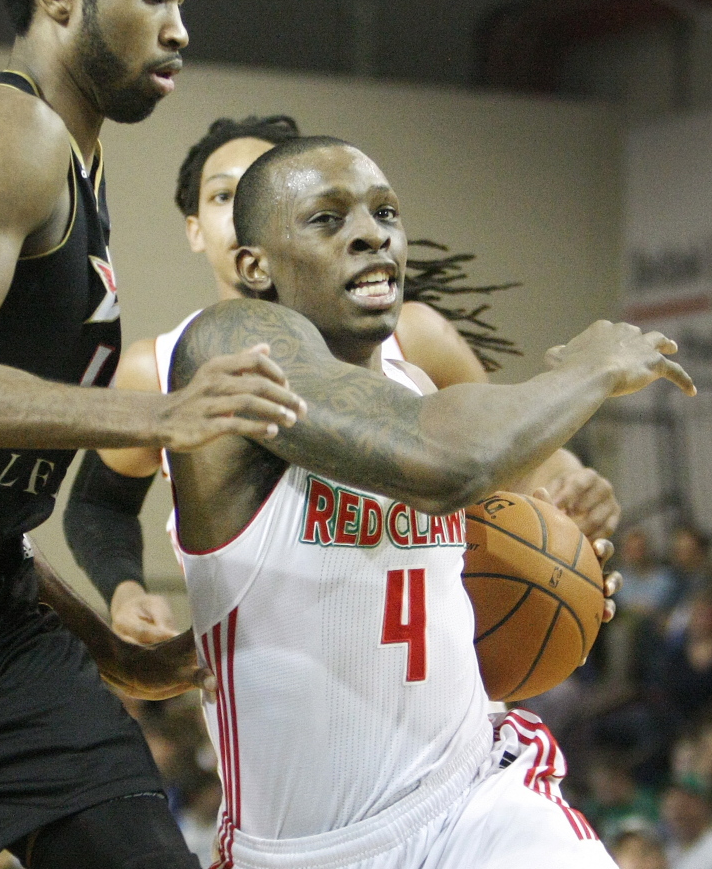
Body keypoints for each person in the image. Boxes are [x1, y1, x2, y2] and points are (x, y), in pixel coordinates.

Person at [163, 136, 694, 869]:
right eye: (326, 218)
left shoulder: (421, 386)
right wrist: (588, 368)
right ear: (254, 266)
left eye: (385, 212)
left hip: (472, 804)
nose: (370, 232)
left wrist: (555, 561)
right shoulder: (227, 347)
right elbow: (445, 465)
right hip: (303, 851)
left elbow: (481, 491)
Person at [0, 0, 304, 868]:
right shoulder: (7, 134)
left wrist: (105, 642)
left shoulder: (81, 173)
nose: (179, 27)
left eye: (181, 1)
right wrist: (139, 416)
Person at [65, 116, 621, 644]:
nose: (244, 211)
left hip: (446, 704)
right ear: (194, 230)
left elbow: (517, 455)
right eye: (223, 196)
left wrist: (574, 491)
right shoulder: (159, 367)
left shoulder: (412, 338)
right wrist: (125, 591)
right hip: (287, 715)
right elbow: (99, 504)